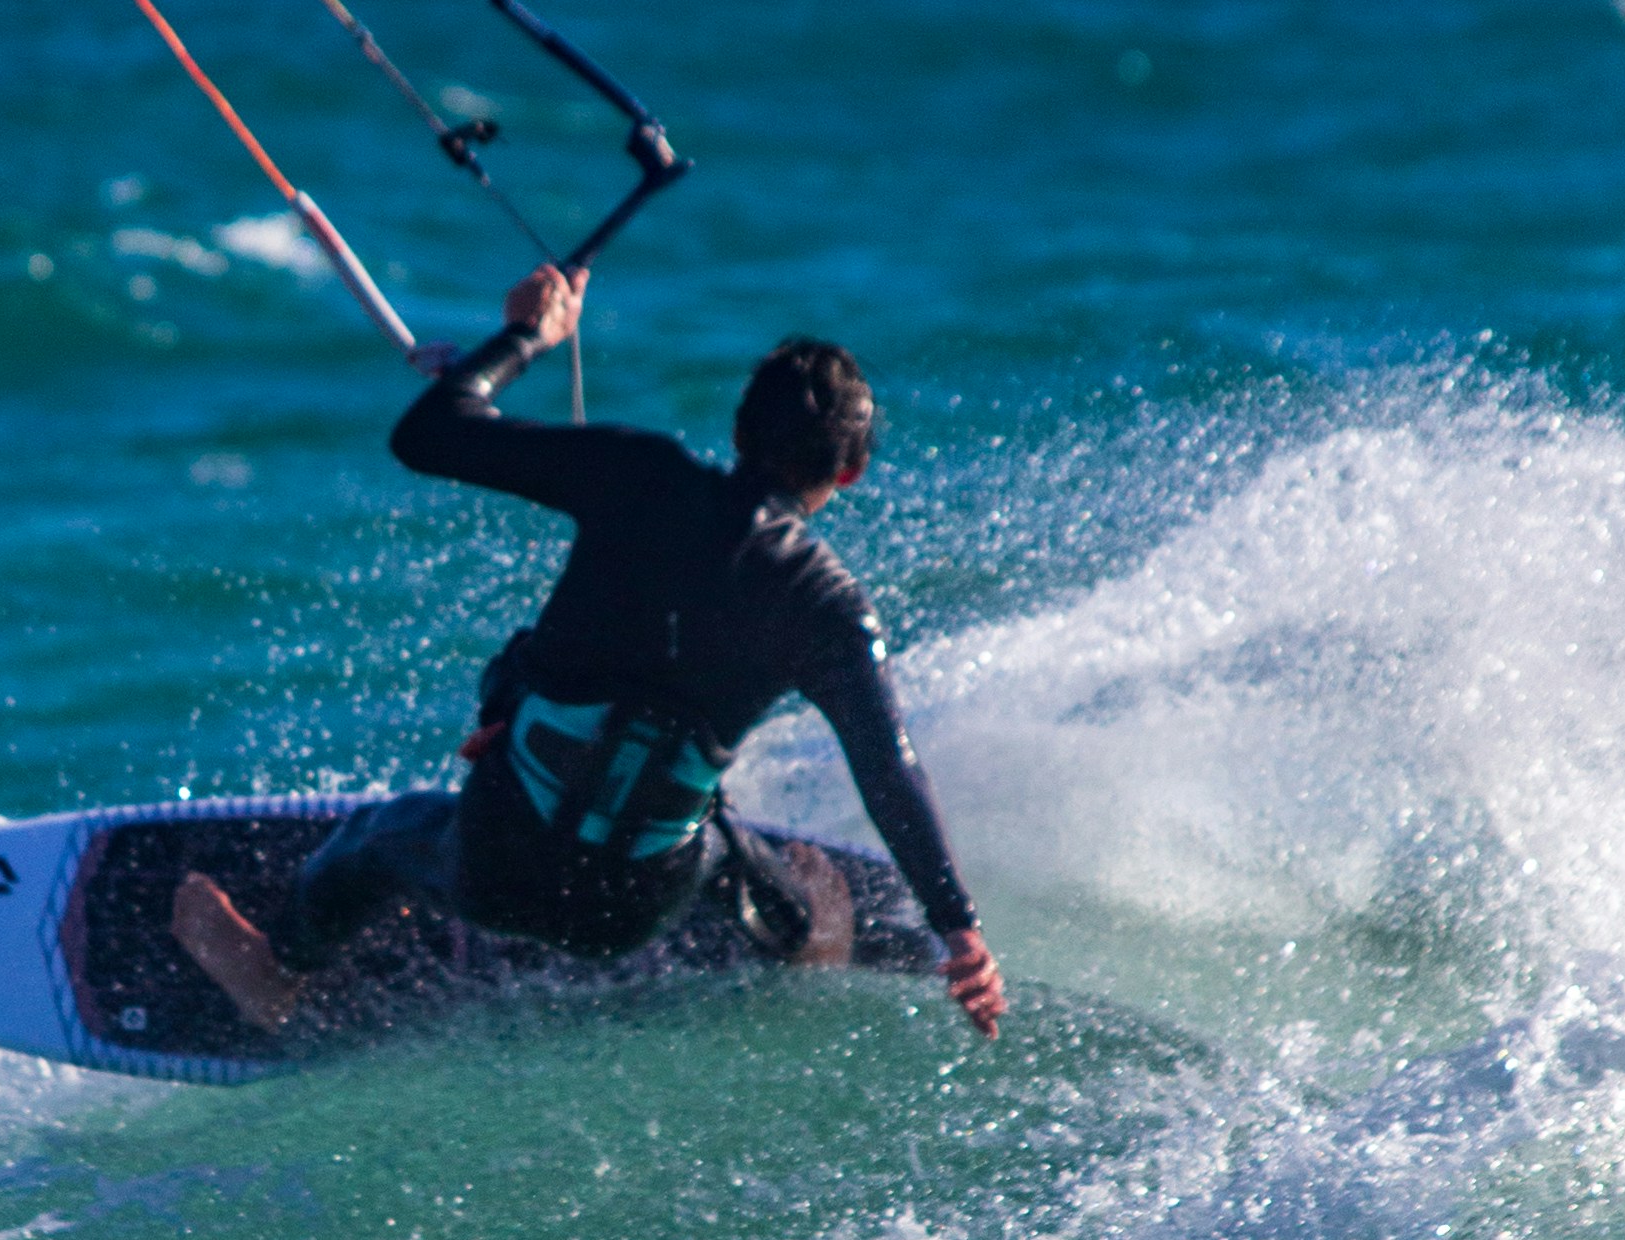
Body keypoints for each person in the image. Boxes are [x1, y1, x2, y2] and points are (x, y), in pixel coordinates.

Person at [172, 262, 1006, 1039]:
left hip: (493, 865)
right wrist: (957, 928)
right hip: (636, 908)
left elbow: (429, 434)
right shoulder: (829, 607)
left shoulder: (637, 475)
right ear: (852, 471)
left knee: (379, 835)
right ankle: (799, 934)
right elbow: (889, 769)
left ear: (740, 428)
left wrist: (527, 337)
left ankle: (275, 969)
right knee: (706, 826)